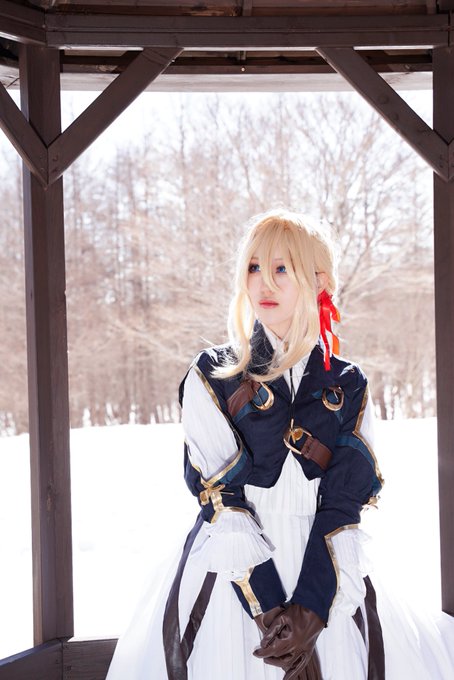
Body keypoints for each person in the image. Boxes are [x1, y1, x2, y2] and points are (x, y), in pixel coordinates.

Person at [106, 209, 454, 680]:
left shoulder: (347, 383)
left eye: (281, 269)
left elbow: (342, 503)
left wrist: (309, 616)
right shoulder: (212, 374)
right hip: (234, 577)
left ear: (319, 280)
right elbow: (224, 503)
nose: (263, 283)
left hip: (326, 571)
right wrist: (275, 623)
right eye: (253, 267)